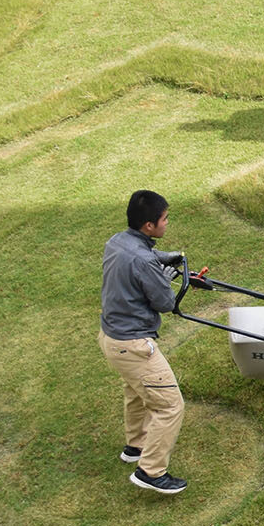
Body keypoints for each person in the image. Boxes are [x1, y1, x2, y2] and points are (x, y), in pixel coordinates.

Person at [99, 190, 189, 495]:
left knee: (137, 393)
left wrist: (166, 258)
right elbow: (164, 301)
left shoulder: (117, 241)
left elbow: (140, 257)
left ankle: (135, 446)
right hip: (135, 345)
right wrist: (162, 274)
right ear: (148, 226)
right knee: (170, 407)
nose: (167, 223)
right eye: (164, 219)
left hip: (111, 339)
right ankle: (150, 471)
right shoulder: (143, 261)